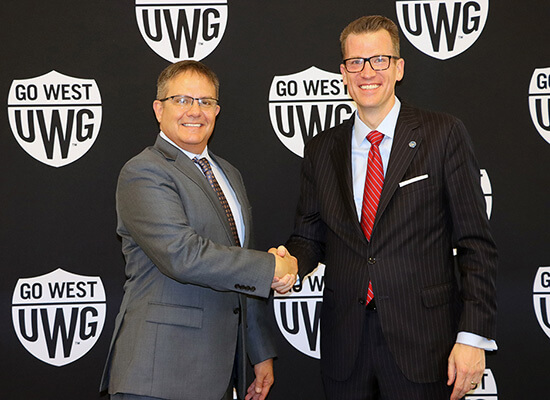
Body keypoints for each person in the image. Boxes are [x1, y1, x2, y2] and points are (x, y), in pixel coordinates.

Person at [284, 15, 498, 400]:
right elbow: (309, 237)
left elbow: (476, 245)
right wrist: (286, 266)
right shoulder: (320, 148)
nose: (367, 71)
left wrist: (473, 336)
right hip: (344, 346)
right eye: (355, 62)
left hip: (425, 344)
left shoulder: (442, 134)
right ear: (343, 73)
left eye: (379, 60)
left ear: (398, 68)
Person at [100, 60, 297, 400]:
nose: (195, 111)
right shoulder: (144, 171)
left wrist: (259, 350)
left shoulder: (229, 174)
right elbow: (182, 255)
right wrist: (271, 268)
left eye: (205, 102)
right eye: (182, 100)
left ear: (217, 111)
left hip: (218, 374)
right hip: (159, 376)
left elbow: (236, 267)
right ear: (158, 108)